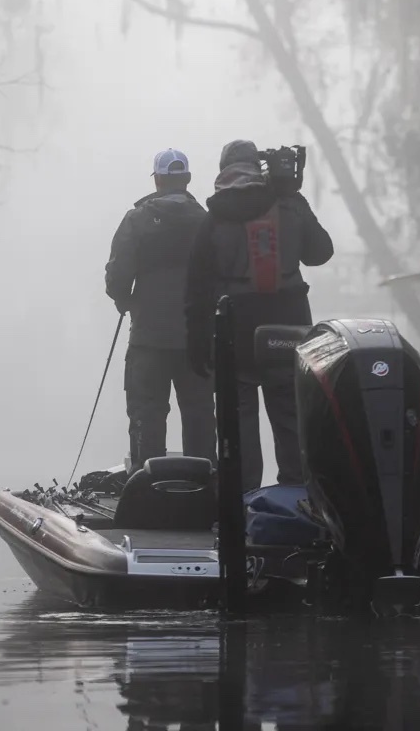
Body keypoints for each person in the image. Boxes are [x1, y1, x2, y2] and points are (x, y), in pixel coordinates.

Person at [184, 139, 334, 491]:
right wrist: (295, 198)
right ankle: (296, 494)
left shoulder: (214, 217)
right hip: (288, 326)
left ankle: (244, 497)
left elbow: (197, 287)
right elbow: (320, 253)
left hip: (235, 329)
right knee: (290, 412)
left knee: (238, 419)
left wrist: (197, 341)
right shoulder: (289, 205)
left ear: (224, 168)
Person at [104, 148, 216, 468]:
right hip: (196, 340)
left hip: (148, 339)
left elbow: (117, 277)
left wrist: (126, 301)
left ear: (158, 181)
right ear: (188, 179)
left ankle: (147, 484)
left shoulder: (137, 220)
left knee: (147, 414)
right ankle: (204, 484)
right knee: (199, 414)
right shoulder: (207, 222)